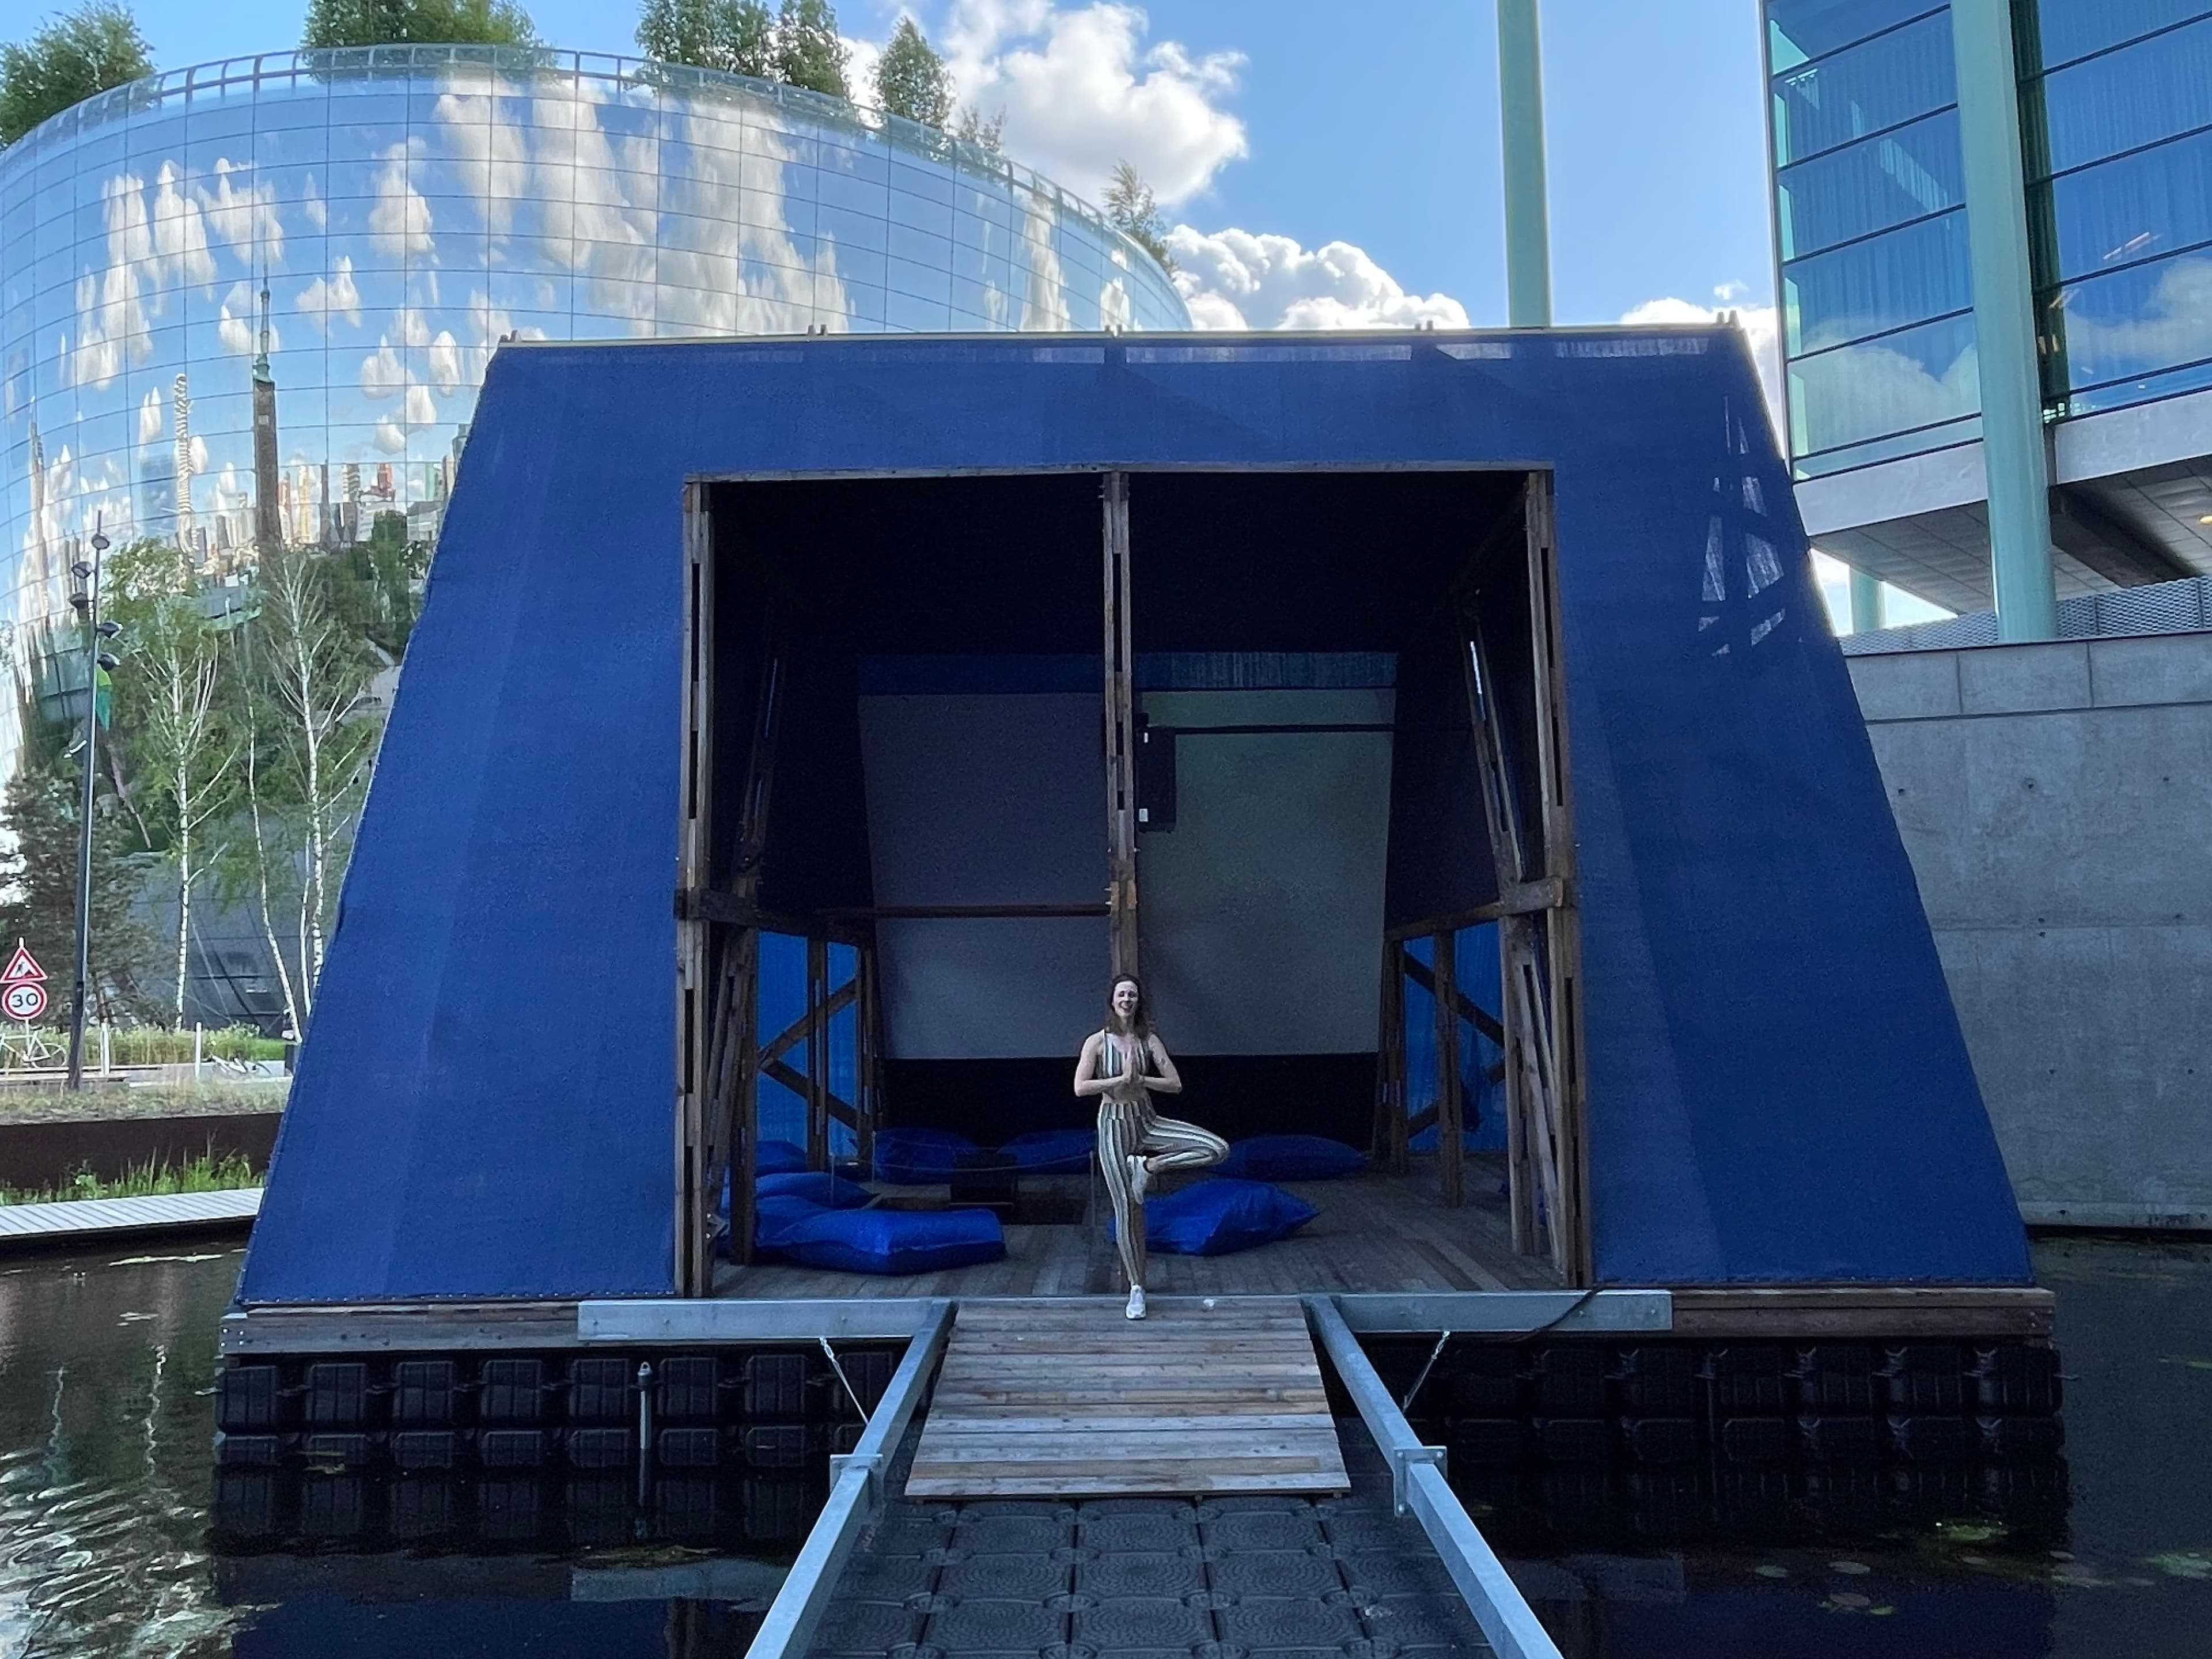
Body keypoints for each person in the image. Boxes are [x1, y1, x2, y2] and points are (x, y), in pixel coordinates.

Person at [1073, 974, 1228, 1319]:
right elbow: (1081, 1087)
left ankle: (1148, 1167)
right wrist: (1119, 1080)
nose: (1127, 999)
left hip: (1146, 1119)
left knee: (1216, 1148)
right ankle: (1137, 1290)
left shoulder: (1149, 1040)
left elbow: (1175, 1084)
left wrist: (1141, 1080)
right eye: (1121, 994)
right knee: (1128, 1211)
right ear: (1112, 1001)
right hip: (1113, 1125)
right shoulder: (1097, 1042)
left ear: (1138, 1001)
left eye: (1132, 994)